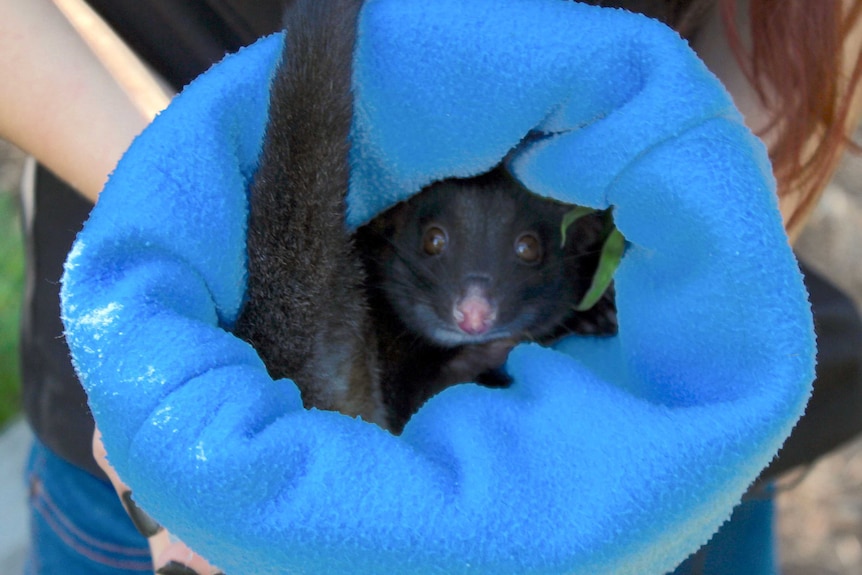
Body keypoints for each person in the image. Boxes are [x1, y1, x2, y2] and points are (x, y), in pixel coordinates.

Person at [1, 0, 860, 574]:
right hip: (192, 373)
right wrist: (187, 210)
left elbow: (785, 30)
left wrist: (704, 267)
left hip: (630, 432)